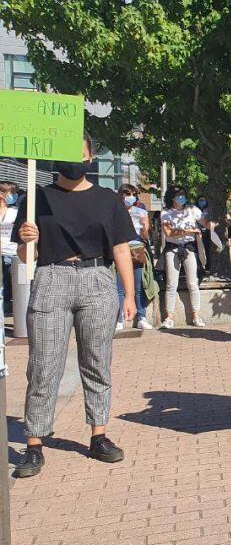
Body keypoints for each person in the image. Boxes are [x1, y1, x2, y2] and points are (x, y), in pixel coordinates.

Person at [11, 134, 136, 479]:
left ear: (91, 157)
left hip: (97, 279)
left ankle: (98, 434)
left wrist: (129, 295)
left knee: (97, 363)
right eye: (69, 155)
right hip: (51, 279)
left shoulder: (108, 199)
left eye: (81, 155)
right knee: (43, 365)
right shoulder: (37, 199)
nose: (76, 162)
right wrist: (26, 241)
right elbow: (26, 258)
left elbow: (121, 249)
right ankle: (34, 442)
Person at [160, 185, 209, 328]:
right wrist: (189, 230)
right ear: (171, 198)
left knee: (193, 283)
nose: (181, 197)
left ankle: (196, 316)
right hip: (173, 249)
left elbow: (206, 223)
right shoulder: (166, 212)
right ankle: (169, 317)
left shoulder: (192, 210)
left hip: (189, 248)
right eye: (177, 195)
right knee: (171, 284)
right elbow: (168, 233)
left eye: (182, 194)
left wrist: (214, 219)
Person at [117, 184, 153, 331]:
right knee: (119, 287)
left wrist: (145, 228)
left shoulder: (140, 211)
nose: (128, 197)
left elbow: (145, 235)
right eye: (125, 194)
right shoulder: (115, 212)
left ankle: (142, 317)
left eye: (132, 194)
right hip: (119, 248)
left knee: (139, 285)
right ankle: (118, 319)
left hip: (136, 248)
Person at [0, 181, 19, 314]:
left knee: (12, 283)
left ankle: (10, 308)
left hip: (11, 251)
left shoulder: (15, 211)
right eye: (11, 192)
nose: (14, 195)